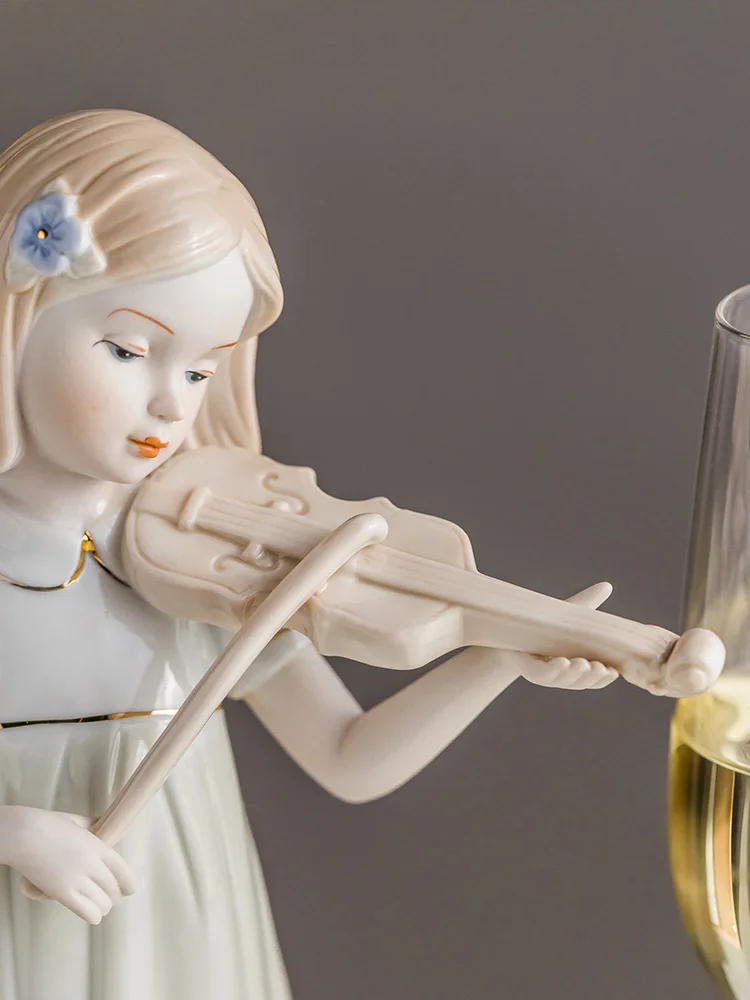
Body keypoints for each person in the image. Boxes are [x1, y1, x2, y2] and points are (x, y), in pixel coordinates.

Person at [0, 109, 666, 999]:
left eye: (199, 371)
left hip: (180, 940)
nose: (171, 406)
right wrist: (14, 834)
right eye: (128, 350)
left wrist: (495, 649)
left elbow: (349, 758)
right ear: (18, 313)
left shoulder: (195, 551)